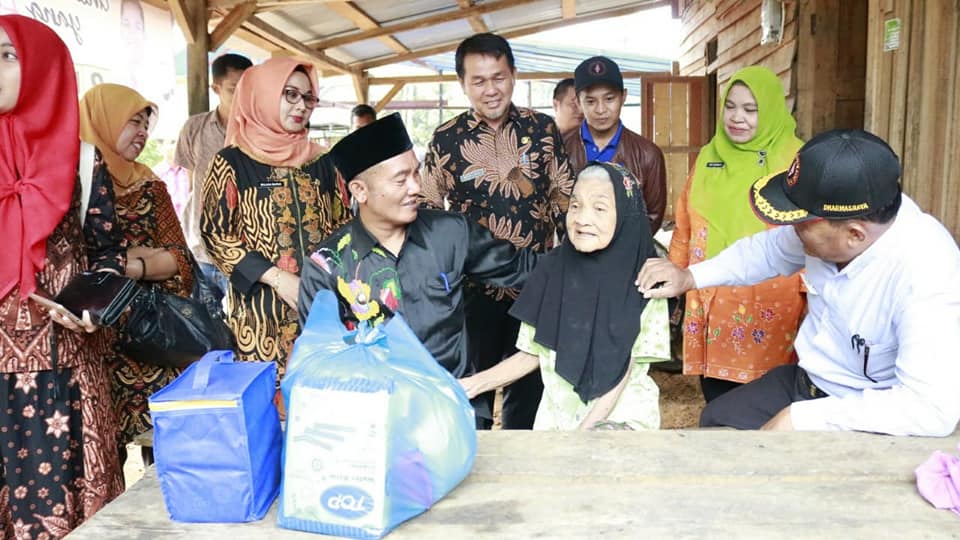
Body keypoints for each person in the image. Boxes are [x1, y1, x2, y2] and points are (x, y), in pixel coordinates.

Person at [637, 129, 960, 437]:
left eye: (801, 222)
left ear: (854, 235)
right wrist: (690, 276)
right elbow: (766, 252)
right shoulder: (836, 229)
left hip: (870, 411)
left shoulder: (928, 274)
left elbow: (931, 408)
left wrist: (804, 418)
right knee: (717, 419)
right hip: (810, 381)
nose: (791, 230)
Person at [299, 113, 538, 428]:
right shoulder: (327, 264)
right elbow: (319, 359)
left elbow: (528, 269)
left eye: (417, 173)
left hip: (455, 412)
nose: (416, 187)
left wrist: (594, 260)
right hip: (376, 422)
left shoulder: (451, 233)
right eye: (401, 180)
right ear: (359, 190)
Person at [0, 15, 124, 538]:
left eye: (7, 55)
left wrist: (91, 310)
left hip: (65, 374)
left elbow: (109, 255)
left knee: (70, 517)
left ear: (43, 69)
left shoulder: (84, 160)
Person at [421, 32, 573, 429]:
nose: (491, 90)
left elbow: (565, 198)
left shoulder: (542, 129)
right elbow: (427, 211)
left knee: (530, 390)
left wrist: (574, 266)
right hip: (473, 292)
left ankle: (523, 458)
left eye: (499, 77)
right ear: (463, 84)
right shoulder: (447, 139)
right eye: (479, 81)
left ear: (514, 75)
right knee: (473, 394)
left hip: (537, 285)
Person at [459, 163, 671, 430]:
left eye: (599, 208)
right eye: (575, 205)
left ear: (625, 215)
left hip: (619, 421)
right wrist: (471, 385)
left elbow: (624, 367)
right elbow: (533, 352)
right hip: (557, 421)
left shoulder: (646, 278)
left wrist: (584, 433)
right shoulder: (552, 269)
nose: (582, 218)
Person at [201, 57, 349, 377]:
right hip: (260, 316)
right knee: (265, 397)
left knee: (323, 393)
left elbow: (343, 226)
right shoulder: (232, 162)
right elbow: (215, 234)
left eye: (308, 97)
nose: (301, 106)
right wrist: (277, 279)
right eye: (290, 94)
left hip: (321, 307)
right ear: (264, 95)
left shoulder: (324, 161)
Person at [668, 66, 806, 402]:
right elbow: (685, 221)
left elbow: (809, 232)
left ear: (770, 109)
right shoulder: (709, 156)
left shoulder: (796, 160)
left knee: (768, 395)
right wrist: (675, 271)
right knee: (717, 394)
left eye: (750, 109)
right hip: (710, 294)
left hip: (771, 298)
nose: (737, 117)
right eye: (730, 106)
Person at [79, 83, 196, 466]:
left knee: (164, 448)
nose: (143, 133)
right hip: (91, 336)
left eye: (147, 125)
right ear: (104, 119)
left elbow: (180, 258)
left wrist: (127, 264)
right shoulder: (71, 180)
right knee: (99, 451)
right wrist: (144, 258)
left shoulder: (150, 185)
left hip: (148, 334)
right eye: (134, 122)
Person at [173, 53, 253, 307]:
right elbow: (191, 183)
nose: (241, 95)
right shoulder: (194, 128)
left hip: (245, 252)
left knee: (244, 322)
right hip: (201, 249)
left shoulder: (258, 132)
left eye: (247, 88)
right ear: (215, 88)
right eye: (233, 88)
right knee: (205, 321)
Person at [564, 56, 667, 233]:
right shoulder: (560, 147)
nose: (601, 109)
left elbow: (653, 217)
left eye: (609, 99)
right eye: (590, 101)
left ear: (623, 96)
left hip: (628, 250)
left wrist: (621, 247)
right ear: (578, 102)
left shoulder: (648, 154)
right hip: (572, 247)